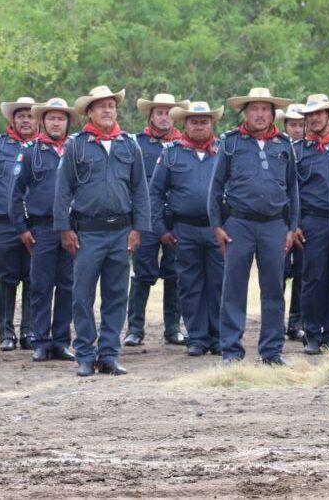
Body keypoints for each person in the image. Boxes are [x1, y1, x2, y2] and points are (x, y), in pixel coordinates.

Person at [54, 86, 150, 376]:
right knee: (82, 295)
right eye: (101, 106)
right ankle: (85, 354)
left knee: (117, 294)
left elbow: (140, 189)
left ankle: (109, 354)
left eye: (111, 105)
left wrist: (138, 228)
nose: (108, 110)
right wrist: (64, 229)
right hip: (87, 233)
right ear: (90, 112)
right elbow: (62, 190)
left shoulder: (128, 144)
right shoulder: (76, 145)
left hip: (121, 231)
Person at [209, 87, 299, 366]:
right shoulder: (231, 142)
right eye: (254, 109)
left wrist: (291, 227)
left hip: (274, 226)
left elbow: (293, 189)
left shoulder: (284, 144)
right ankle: (231, 351)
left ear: (273, 113)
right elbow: (215, 187)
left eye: (265, 109)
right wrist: (217, 225)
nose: (259, 115)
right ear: (245, 113)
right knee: (233, 288)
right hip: (238, 224)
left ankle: (272, 351)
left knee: (273, 288)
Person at [149, 102, 224, 357]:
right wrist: (160, 229)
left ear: (212, 124)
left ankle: (218, 336)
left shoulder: (224, 151)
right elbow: (156, 192)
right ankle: (197, 337)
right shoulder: (171, 153)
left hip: (218, 231)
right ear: (185, 124)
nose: (199, 125)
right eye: (194, 121)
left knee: (219, 283)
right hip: (185, 230)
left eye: (204, 121)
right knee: (190, 285)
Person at [9, 97, 77, 363]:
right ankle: (41, 341)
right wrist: (22, 228)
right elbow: (15, 194)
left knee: (68, 286)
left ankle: (61, 342)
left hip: (73, 229)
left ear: (67, 122)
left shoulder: (77, 149)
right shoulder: (31, 151)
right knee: (41, 286)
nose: (56, 123)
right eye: (51, 118)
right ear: (42, 121)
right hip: (42, 228)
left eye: (61, 118)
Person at [125, 93, 190, 347]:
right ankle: (135, 329)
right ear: (150, 115)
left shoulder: (183, 145)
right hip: (146, 219)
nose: (164, 117)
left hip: (176, 219)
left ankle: (173, 329)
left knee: (175, 274)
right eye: (159, 112)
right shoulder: (137, 143)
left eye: (168, 113)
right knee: (142, 274)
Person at [293, 94, 329, 355]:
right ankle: (312, 334)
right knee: (313, 279)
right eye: (310, 115)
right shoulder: (297, 150)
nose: (314, 118)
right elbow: (291, 192)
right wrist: (294, 224)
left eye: (319, 113)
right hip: (312, 221)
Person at [0, 97, 38, 351]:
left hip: (37, 223)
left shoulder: (45, 147)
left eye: (30, 116)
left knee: (34, 279)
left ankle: (29, 332)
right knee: (6, 279)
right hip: (5, 223)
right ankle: (6, 333)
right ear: (12, 120)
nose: (26, 120)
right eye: (21, 116)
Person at [281, 104, 307, 343]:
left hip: (303, 222)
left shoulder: (308, 150)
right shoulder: (280, 149)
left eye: (301, 125)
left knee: (301, 274)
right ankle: (276, 321)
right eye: (292, 125)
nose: (297, 129)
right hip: (278, 220)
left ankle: (296, 321)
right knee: (278, 273)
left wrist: (297, 222)